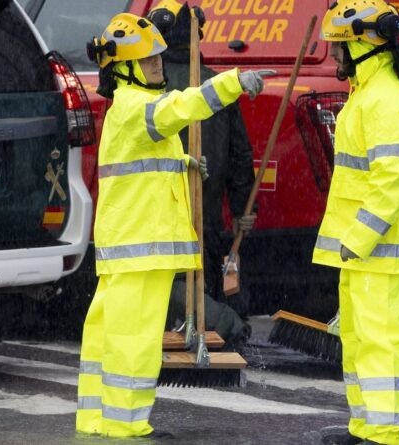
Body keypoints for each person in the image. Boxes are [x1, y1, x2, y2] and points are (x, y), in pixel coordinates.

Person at [77, 12, 264, 438]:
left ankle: (98, 419)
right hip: (140, 249)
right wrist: (232, 83)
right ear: (123, 68)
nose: (157, 64)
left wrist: (182, 161)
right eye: (147, 60)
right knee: (134, 342)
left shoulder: (128, 109)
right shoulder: (137, 106)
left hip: (130, 248)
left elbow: (140, 164)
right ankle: (127, 426)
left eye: (159, 57)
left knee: (108, 333)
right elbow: (180, 106)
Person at [312, 2, 399, 445]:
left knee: (382, 347)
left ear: (364, 45)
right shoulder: (369, 96)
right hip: (364, 252)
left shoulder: (385, 102)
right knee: (360, 343)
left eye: (341, 46)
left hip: (380, 252)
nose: (336, 56)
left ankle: (385, 434)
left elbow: (391, 181)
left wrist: (358, 237)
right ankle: (365, 428)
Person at [147, 0, 256, 341]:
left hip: (159, 217)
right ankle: (218, 328)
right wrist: (242, 210)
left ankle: (216, 327)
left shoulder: (149, 92)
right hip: (207, 217)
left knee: (167, 286)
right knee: (202, 280)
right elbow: (240, 155)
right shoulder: (216, 88)